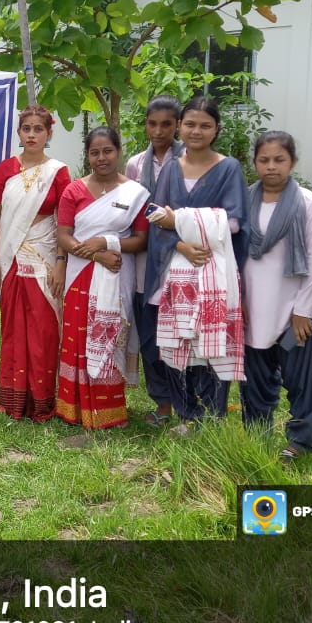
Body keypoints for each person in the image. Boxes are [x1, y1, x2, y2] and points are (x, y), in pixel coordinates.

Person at [144, 95, 248, 436]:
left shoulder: (228, 168)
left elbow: (234, 222)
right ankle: (187, 416)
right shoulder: (172, 168)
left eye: (205, 125)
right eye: (190, 124)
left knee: (210, 342)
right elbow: (156, 216)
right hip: (177, 269)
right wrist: (179, 243)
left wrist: (181, 221)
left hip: (213, 270)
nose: (196, 131)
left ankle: (212, 418)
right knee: (178, 344)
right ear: (180, 127)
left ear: (217, 129)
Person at [239, 131, 312, 463]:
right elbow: (235, 254)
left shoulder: (306, 202)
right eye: (264, 160)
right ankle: (256, 432)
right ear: (255, 162)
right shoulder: (244, 200)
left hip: (294, 306)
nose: (271, 167)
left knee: (302, 379)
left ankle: (299, 442)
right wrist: (240, 301)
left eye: (280, 160)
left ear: (292, 162)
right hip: (253, 305)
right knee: (255, 376)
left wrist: (304, 309)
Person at [55, 127, 150, 429]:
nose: (101, 158)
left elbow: (141, 240)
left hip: (116, 275)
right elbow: (63, 236)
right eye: (94, 152)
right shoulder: (74, 190)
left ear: (118, 151)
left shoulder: (134, 194)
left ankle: (110, 410)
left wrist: (109, 243)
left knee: (108, 336)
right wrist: (96, 254)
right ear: (88, 156)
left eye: (107, 151)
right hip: (81, 274)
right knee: (79, 338)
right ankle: (74, 409)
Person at [0, 105, 72, 421]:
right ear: (19, 133)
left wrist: (61, 263)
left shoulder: (59, 172)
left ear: (49, 133)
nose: (32, 135)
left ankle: (43, 403)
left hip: (46, 260)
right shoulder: (5, 169)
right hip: (10, 261)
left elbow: (66, 223)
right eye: (27, 129)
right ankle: (13, 401)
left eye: (39, 129)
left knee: (45, 331)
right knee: (13, 331)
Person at [125, 95, 184, 426]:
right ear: (145, 125)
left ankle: (187, 401)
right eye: (152, 123)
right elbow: (133, 211)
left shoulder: (190, 159)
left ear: (177, 125)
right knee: (149, 335)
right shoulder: (135, 165)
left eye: (166, 124)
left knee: (179, 333)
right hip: (145, 263)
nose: (159, 131)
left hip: (182, 259)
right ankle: (162, 403)